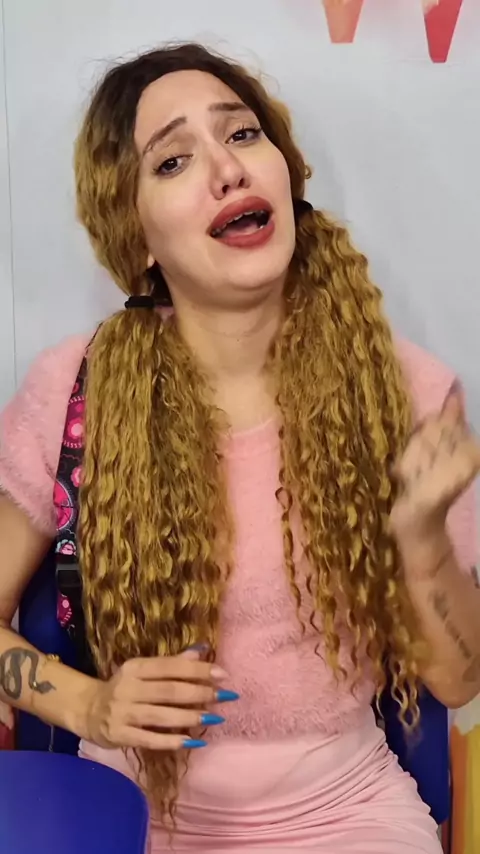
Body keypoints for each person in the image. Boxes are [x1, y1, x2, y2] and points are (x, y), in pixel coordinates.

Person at [0, 42, 479, 853]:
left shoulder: (403, 393)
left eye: (243, 134)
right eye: (174, 160)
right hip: (125, 812)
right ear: (137, 235)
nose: (226, 169)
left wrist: (421, 538)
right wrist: (87, 705)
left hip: (346, 815)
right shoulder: (76, 393)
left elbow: (459, 680)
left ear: (285, 177)